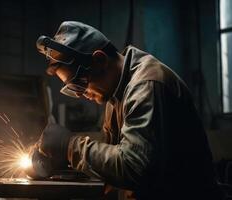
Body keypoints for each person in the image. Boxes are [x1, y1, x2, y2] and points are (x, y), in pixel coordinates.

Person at [28, 21, 223, 200]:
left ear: (99, 60)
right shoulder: (115, 95)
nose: (80, 94)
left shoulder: (146, 86)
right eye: (73, 88)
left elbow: (134, 167)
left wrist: (70, 146)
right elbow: (113, 168)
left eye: (79, 84)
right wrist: (61, 162)